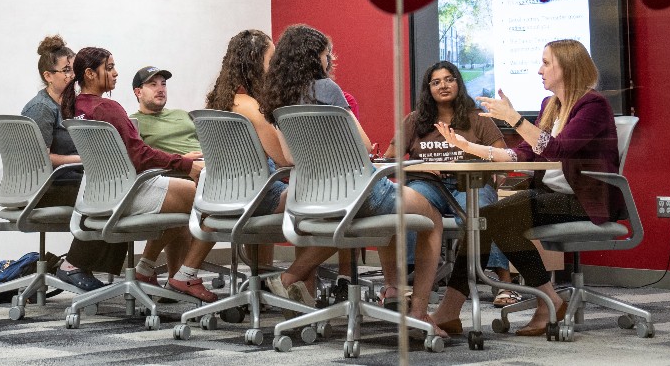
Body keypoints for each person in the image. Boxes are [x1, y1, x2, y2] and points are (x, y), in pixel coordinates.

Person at [257, 24, 449, 338]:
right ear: (313, 58)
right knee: (433, 220)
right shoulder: (327, 88)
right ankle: (418, 313)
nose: (328, 60)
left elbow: (290, 157)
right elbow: (361, 144)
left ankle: (385, 289)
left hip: (312, 195)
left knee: (381, 220)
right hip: (360, 191)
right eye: (324, 54)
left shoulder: (277, 100)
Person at [430, 39, 623, 337]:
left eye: (546, 63)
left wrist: (514, 118)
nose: (538, 70)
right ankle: (545, 301)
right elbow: (522, 154)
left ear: (568, 68)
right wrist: (468, 146)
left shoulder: (592, 105)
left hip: (585, 201)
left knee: (488, 218)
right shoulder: (550, 106)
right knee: (489, 220)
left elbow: (556, 149)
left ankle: (453, 310)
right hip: (551, 197)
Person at [59, 46, 218, 302]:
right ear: (89, 74)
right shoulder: (106, 108)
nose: (116, 72)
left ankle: (149, 271)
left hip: (104, 193)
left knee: (183, 209)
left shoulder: (77, 106)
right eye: (109, 68)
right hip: (132, 191)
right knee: (213, 198)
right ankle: (185, 276)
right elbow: (140, 156)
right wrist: (184, 164)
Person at [391, 61, 517, 308]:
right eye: (436, 82)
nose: (443, 85)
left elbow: (503, 155)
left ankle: (503, 281)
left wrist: (494, 173)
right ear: (429, 89)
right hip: (428, 185)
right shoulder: (415, 120)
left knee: (484, 210)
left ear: (458, 82)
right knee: (405, 204)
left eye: (449, 79)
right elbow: (390, 158)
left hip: (469, 184)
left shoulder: (477, 118)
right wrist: (419, 167)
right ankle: (404, 283)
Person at [20, 35, 127, 291]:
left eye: (73, 69)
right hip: (47, 188)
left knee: (118, 188)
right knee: (110, 194)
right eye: (66, 70)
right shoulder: (42, 108)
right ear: (48, 75)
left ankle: (82, 264)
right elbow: (41, 159)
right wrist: (84, 158)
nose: (72, 76)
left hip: (72, 180)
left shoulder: (68, 104)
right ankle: (73, 265)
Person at [204, 29, 286, 269]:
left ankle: (261, 278)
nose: (275, 67)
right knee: (318, 198)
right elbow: (284, 159)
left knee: (272, 182)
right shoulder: (251, 107)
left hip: (225, 194)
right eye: (272, 60)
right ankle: (292, 279)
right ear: (255, 62)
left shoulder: (221, 102)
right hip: (256, 196)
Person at [129, 66, 203, 157]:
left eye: (163, 84)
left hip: (213, 162)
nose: (161, 90)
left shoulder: (182, 113)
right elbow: (139, 160)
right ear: (138, 92)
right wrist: (183, 161)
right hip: (182, 168)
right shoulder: (132, 122)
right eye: (153, 84)